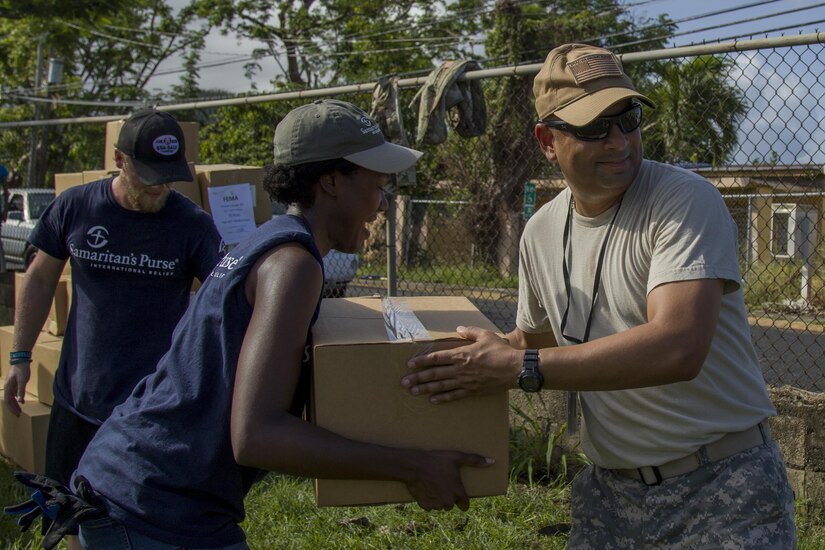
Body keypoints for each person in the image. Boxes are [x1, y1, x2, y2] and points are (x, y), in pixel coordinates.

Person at [401, 44, 796, 548]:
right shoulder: (540, 233)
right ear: (547, 141)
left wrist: (520, 367)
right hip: (612, 493)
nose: (619, 141)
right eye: (593, 128)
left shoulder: (683, 200)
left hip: (722, 485)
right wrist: (477, 357)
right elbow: (534, 341)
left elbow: (679, 346)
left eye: (627, 119)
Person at [62, 99, 493, 548]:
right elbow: (257, 436)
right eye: (377, 183)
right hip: (151, 503)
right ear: (330, 181)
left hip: (143, 486)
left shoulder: (271, 242)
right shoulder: (293, 265)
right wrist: (414, 467)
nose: (382, 201)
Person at [2, 108, 223, 531]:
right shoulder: (77, 206)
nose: (159, 185)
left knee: (136, 524)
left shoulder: (192, 226)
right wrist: (19, 356)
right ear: (119, 160)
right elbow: (40, 277)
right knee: (64, 517)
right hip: (78, 402)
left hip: (149, 411)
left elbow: (223, 301)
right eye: (148, 173)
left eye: (168, 174)